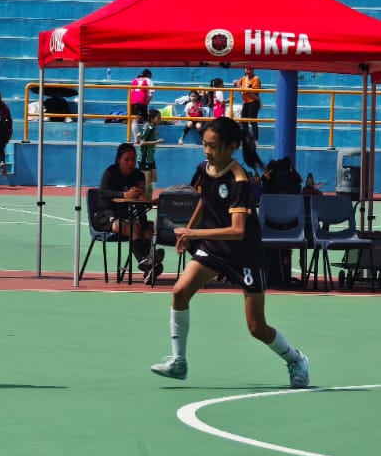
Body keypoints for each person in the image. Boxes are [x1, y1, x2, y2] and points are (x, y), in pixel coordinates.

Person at [150, 117, 309, 389]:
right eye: (204, 145)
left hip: (245, 255)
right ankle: (179, 362)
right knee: (180, 292)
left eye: (213, 146)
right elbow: (205, 200)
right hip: (214, 249)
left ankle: (296, 360)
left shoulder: (239, 180)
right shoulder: (204, 169)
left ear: (232, 147)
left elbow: (237, 230)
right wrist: (190, 230)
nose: (207, 151)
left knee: (256, 327)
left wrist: (193, 234)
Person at [96, 143, 161, 280]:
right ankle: (146, 261)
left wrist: (148, 201)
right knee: (133, 227)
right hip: (106, 216)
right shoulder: (111, 172)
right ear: (119, 159)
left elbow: (139, 200)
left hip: (127, 215)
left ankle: (148, 267)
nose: (131, 163)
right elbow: (102, 193)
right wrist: (124, 195)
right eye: (127, 159)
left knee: (149, 226)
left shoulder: (138, 175)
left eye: (133, 159)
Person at [134, 110, 162, 194]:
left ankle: (149, 195)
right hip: (144, 158)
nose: (160, 120)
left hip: (150, 158)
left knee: (154, 178)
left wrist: (141, 134)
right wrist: (156, 142)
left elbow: (140, 134)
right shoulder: (149, 128)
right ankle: (144, 197)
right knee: (147, 181)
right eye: (158, 118)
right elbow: (142, 143)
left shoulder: (151, 128)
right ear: (152, 119)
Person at [234, 66, 262, 140]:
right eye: (247, 69)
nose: (248, 71)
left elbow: (255, 91)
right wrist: (236, 84)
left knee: (253, 121)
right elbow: (237, 86)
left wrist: (245, 89)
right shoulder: (243, 78)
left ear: (253, 70)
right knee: (243, 121)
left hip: (253, 101)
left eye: (250, 69)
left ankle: (255, 140)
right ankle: (246, 138)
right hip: (246, 102)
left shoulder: (256, 78)